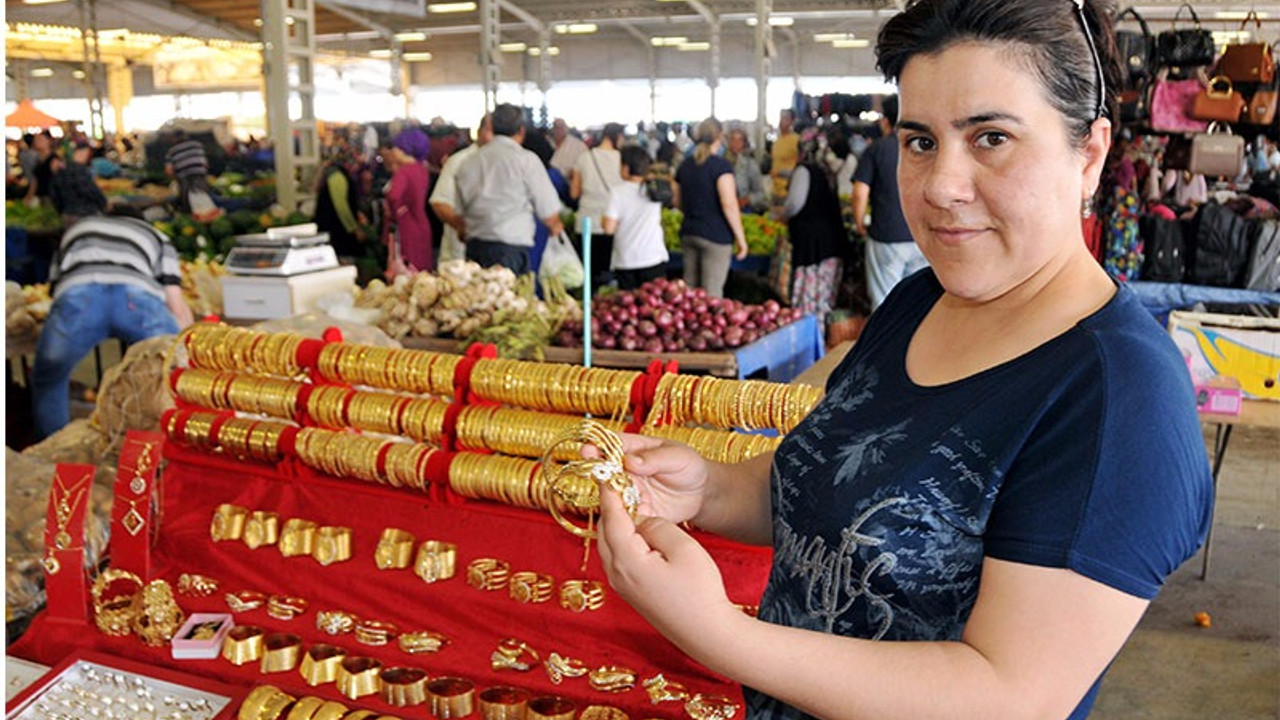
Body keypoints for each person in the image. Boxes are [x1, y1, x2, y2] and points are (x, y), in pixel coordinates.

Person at [595, 4, 1213, 720]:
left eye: (991, 137)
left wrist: (719, 634)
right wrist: (706, 489)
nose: (940, 186)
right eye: (920, 141)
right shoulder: (922, 300)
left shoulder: (1119, 400)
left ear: (1091, 154)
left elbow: (1011, 696)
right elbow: (829, 488)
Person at [33, 199, 193, 440]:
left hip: (80, 298)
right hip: (136, 300)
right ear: (140, 220)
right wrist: (189, 349)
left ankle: (52, 448)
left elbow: (55, 290)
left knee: (49, 376)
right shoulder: (155, 236)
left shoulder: (79, 229)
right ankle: (170, 445)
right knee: (172, 373)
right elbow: (175, 302)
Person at [454, 103, 565, 274]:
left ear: (491, 127)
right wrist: (556, 226)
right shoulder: (526, 161)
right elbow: (549, 214)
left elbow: (459, 215)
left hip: (475, 249)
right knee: (509, 299)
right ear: (522, 130)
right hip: (511, 251)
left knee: (478, 298)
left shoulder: (469, 162)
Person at [852, 94, 928, 310]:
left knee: (885, 305)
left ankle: (891, 344)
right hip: (921, 237)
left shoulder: (876, 149)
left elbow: (860, 192)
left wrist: (859, 224)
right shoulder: (925, 145)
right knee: (919, 304)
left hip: (886, 237)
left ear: (885, 121)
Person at [675, 118, 749, 298]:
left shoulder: (685, 166)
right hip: (716, 237)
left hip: (689, 232)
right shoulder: (721, 167)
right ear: (720, 137)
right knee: (712, 295)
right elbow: (729, 205)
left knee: (689, 293)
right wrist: (741, 239)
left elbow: (677, 201)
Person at [781, 140, 845, 321]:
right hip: (831, 241)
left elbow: (794, 204)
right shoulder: (828, 169)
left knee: (808, 300)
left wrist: (782, 214)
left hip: (811, 244)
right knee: (823, 298)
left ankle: (810, 342)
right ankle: (822, 340)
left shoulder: (804, 170)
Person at [602, 145, 668, 290]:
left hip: (627, 259)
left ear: (626, 168)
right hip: (653, 257)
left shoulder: (617, 192)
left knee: (630, 305)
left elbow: (608, 228)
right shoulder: (654, 188)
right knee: (653, 305)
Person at [431, 114, 493, 265]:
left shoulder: (505, 162)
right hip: (459, 256)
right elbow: (439, 202)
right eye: (490, 131)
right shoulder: (459, 161)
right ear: (479, 132)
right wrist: (462, 227)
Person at [571, 122, 624, 289]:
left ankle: (588, 309)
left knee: (588, 278)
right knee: (608, 278)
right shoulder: (623, 161)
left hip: (586, 224)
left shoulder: (584, 157)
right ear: (617, 137)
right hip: (611, 224)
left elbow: (574, 193)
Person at [384, 128, 433, 275]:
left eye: (396, 147)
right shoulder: (422, 169)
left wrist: (394, 211)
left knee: (406, 272)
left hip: (406, 225)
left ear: (404, 149)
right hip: (422, 223)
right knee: (421, 269)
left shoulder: (404, 171)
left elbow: (393, 195)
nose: (393, 151)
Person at [313, 147, 365, 263]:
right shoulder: (337, 176)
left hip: (332, 231)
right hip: (337, 233)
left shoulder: (334, 173)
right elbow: (341, 206)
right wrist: (354, 228)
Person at [48, 140, 107, 224]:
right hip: (85, 215)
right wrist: (103, 203)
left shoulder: (61, 171)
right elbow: (90, 191)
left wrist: (61, 211)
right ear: (83, 152)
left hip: (68, 214)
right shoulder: (79, 170)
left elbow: (54, 194)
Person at [164, 129, 214, 216]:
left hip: (185, 179)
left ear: (174, 138)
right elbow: (205, 163)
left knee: (188, 203)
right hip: (200, 176)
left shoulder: (171, 151)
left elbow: (169, 171)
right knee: (204, 200)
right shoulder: (197, 145)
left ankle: (191, 220)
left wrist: (174, 179)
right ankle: (207, 220)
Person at [726, 126, 769, 214]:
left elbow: (760, 193)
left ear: (744, 143)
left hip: (743, 211)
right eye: (733, 139)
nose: (736, 143)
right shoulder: (720, 162)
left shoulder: (750, 165)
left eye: (740, 140)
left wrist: (746, 200)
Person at [770, 109, 800, 199]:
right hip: (775, 191)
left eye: (785, 118)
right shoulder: (777, 141)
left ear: (792, 122)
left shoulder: (797, 140)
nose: (781, 121)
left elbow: (799, 168)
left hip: (789, 191)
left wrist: (780, 173)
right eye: (781, 118)